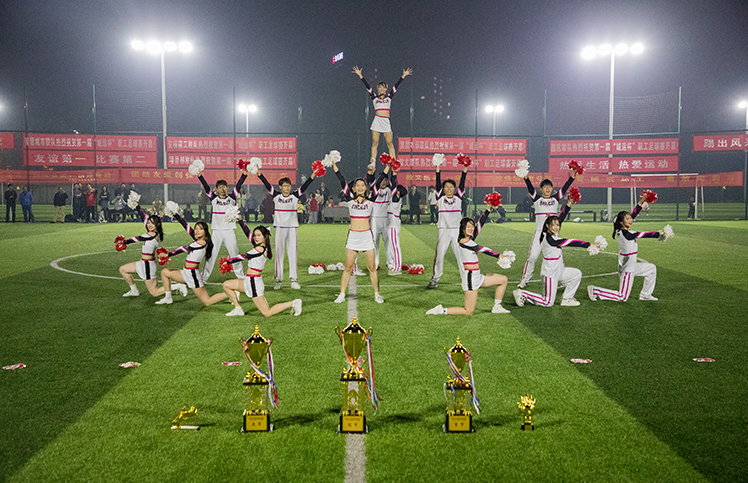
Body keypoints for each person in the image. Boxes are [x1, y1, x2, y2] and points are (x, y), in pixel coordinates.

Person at [513, 201, 597, 308]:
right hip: (549, 273)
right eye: (553, 225)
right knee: (548, 302)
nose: (556, 227)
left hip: (559, 270)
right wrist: (588, 244)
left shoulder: (550, 234)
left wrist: (569, 204)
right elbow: (570, 242)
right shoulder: (550, 239)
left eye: (557, 225)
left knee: (576, 274)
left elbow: (561, 217)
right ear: (547, 225)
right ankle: (522, 294)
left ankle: (567, 299)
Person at [427, 209, 511, 315]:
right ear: (463, 229)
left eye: (472, 226)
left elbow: (479, 226)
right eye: (468, 227)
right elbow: (481, 248)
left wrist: (487, 211)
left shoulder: (469, 240)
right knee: (468, 311)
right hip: (470, 278)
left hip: (477, 275)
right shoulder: (464, 241)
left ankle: (497, 307)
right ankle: (441, 310)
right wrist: (499, 256)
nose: (471, 229)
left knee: (503, 280)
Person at [587, 194, 663, 302]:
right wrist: (658, 233)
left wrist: (641, 202)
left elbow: (633, 215)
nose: (631, 220)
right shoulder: (626, 234)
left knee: (651, 269)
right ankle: (595, 291)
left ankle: (646, 295)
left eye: (630, 218)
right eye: (627, 219)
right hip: (627, 268)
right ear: (622, 222)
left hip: (631, 264)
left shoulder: (621, 230)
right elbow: (642, 234)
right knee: (622, 297)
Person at [332, 160, 388, 304]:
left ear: (366, 187)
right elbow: (342, 180)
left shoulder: (371, 200)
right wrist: (334, 166)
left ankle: (377, 294)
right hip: (353, 237)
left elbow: (379, 180)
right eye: (358, 185)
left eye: (363, 185)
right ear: (354, 188)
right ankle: (341, 294)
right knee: (348, 267)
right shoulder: (350, 199)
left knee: (372, 268)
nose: (361, 187)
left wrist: (388, 166)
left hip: (366, 236)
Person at [222, 221, 302, 317]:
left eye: (259, 235)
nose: (256, 237)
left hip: (254, 283)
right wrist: (240, 221)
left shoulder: (260, 249)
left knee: (267, 312)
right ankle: (238, 308)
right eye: (255, 235)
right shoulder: (259, 246)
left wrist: (228, 261)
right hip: (248, 280)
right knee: (226, 285)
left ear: (265, 237)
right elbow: (248, 233)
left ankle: (294, 303)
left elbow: (244, 256)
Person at [257, 167, 316, 290]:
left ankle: (293, 280)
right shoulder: (276, 196)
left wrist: (312, 176)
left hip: (292, 228)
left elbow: (305, 186)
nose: (287, 188)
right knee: (279, 253)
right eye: (284, 186)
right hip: (279, 228)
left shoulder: (295, 196)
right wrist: (260, 175)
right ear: (280, 187)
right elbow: (267, 185)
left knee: (292, 253)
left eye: (288, 185)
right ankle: (278, 280)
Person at [517, 170, 576, 288]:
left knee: (558, 257)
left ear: (552, 189)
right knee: (532, 257)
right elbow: (530, 189)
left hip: (553, 234)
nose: (547, 188)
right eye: (545, 187)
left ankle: (563, 280)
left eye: (549, 186)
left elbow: (564, 188)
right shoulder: (537, 199)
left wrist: (572, 178)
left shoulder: (555, 199)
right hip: (539, 233)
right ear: (541, 189)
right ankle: (525, 280)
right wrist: (526, 178)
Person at [155, 215, 227, 306]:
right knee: (165, 272)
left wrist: (168, 254)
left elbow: (184, 248)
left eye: (200, 229)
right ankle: (168, 297)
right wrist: (176, 215)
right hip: (186, 272)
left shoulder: (202, 242)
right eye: (196, 229)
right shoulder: (198, 239)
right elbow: (187, 227)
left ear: (205, 231)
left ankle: (231, 293)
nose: (197, 231)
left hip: (193, 275)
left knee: (207, 301)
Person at [352, 65, 412, 163]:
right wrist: (360, 76)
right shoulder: (374, 98)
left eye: (383, 88)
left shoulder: (389, 98)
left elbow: (395, 87)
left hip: (386, 121)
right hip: (377, 121)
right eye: (379, 88)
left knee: (390, 143)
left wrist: (403, 76)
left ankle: (394, 162)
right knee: (375, 142)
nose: (381, 89)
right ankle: (373, 162)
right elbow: (368, 87)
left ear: (386, 89)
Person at [196, 168, 247, 280]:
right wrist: (200, 177)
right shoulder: (213, 198)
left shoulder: (232, 197)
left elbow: (238, 186)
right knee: (211, 254)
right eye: (220, 187)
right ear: (216, 189)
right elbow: (206, 187)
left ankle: (241, 277)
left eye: (224, 187)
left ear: (227, 188)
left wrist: (243, 175)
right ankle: (203, 278)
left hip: (229, 231)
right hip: (217, 232)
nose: (222, 189)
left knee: (235, 253)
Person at [119, 205, 175, 298]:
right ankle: (134, 291)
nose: (149, 225)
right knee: (123, 269)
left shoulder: (152, 234)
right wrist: (137, 206)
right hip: (142, 263)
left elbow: (138, 238)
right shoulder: (151, 232)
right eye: (148, 223)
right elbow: (143, 217)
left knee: (154, 292)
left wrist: (124, 242)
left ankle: (177, 286)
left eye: (152, 223)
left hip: (148, 266)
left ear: (157, 224)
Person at [427, 163, 468, 289]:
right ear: (443, 189)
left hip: (457, 231)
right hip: (443, 231)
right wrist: (437, 168)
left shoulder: (458, 197)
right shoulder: (440, 197)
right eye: (446, 187)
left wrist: (464, 169)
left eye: (451, 187)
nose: (449, 189)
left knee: (461, 255)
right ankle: (435, 279)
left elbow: (462, 183)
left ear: (454, 189)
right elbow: (437, 183)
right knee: (439, 256)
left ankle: (466, 280)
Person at [366, 164, 393, 271]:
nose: (384, 182)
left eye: (386, 180)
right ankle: (375, 263)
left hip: (386, 219)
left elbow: (394, 180)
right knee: (374, 242)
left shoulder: (390, 190)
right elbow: (371, 179)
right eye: (382, 180)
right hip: (375, 219)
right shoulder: (375, 188)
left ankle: (390, 262)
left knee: (388, 242)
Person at [386, 171, 407, 275]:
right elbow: (392, 185)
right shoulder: (395, 198)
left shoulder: (396, 199)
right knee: (391, 246)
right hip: (392, 225)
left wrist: (394, 173)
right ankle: (395, 264)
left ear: (398, 192)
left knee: (395, 247)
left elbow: (393, 185)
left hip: (393, 226)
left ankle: (398, 267)